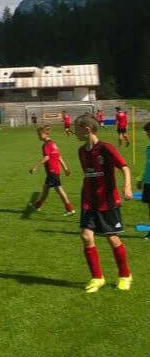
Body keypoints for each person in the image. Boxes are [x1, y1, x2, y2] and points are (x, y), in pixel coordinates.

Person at [74, 114, 132, 293]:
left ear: (87, 129)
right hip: (88, 200)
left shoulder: (106, 148)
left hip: (107, 201)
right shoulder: (81, 151)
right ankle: (97, 277)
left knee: (112, 238)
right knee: (86, 236)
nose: (75, 132)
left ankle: (125, 275)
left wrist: (127, 186)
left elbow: (124, 167)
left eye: (77, 129)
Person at [28, 125, 75, 216]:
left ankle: (70, 209)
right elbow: (59, 156)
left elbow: (46, 157)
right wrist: (65, 168)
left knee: (59, 189)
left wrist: (35, 167)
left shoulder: (46, 145)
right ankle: (37, 206)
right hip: (54, 170)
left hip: (52, 171)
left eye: (39, 135)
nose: (38, 137)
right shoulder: (53, 143)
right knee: (45, 189)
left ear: (45, 134)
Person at [137, 121, 150, 239]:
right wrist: (140, 179)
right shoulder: (148, 147)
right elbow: (147, 164)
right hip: (148, 182)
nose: (147, 135)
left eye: (148, 132)